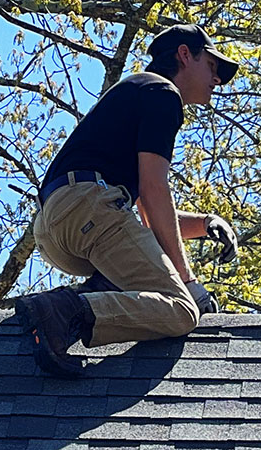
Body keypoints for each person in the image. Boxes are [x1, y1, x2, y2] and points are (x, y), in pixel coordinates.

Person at [15, 24, 240, 378]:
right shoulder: (163, 93)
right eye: (213, 66)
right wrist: (188, 280)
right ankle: (63, 309)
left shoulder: (137, 90)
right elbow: (153, 191)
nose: (218, 80)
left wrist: (204, 224)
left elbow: (141, 213)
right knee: (181, 309)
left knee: (139, 287)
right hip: (89, 210)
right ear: (185, 55)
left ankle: (70, 310)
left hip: (58, 224)